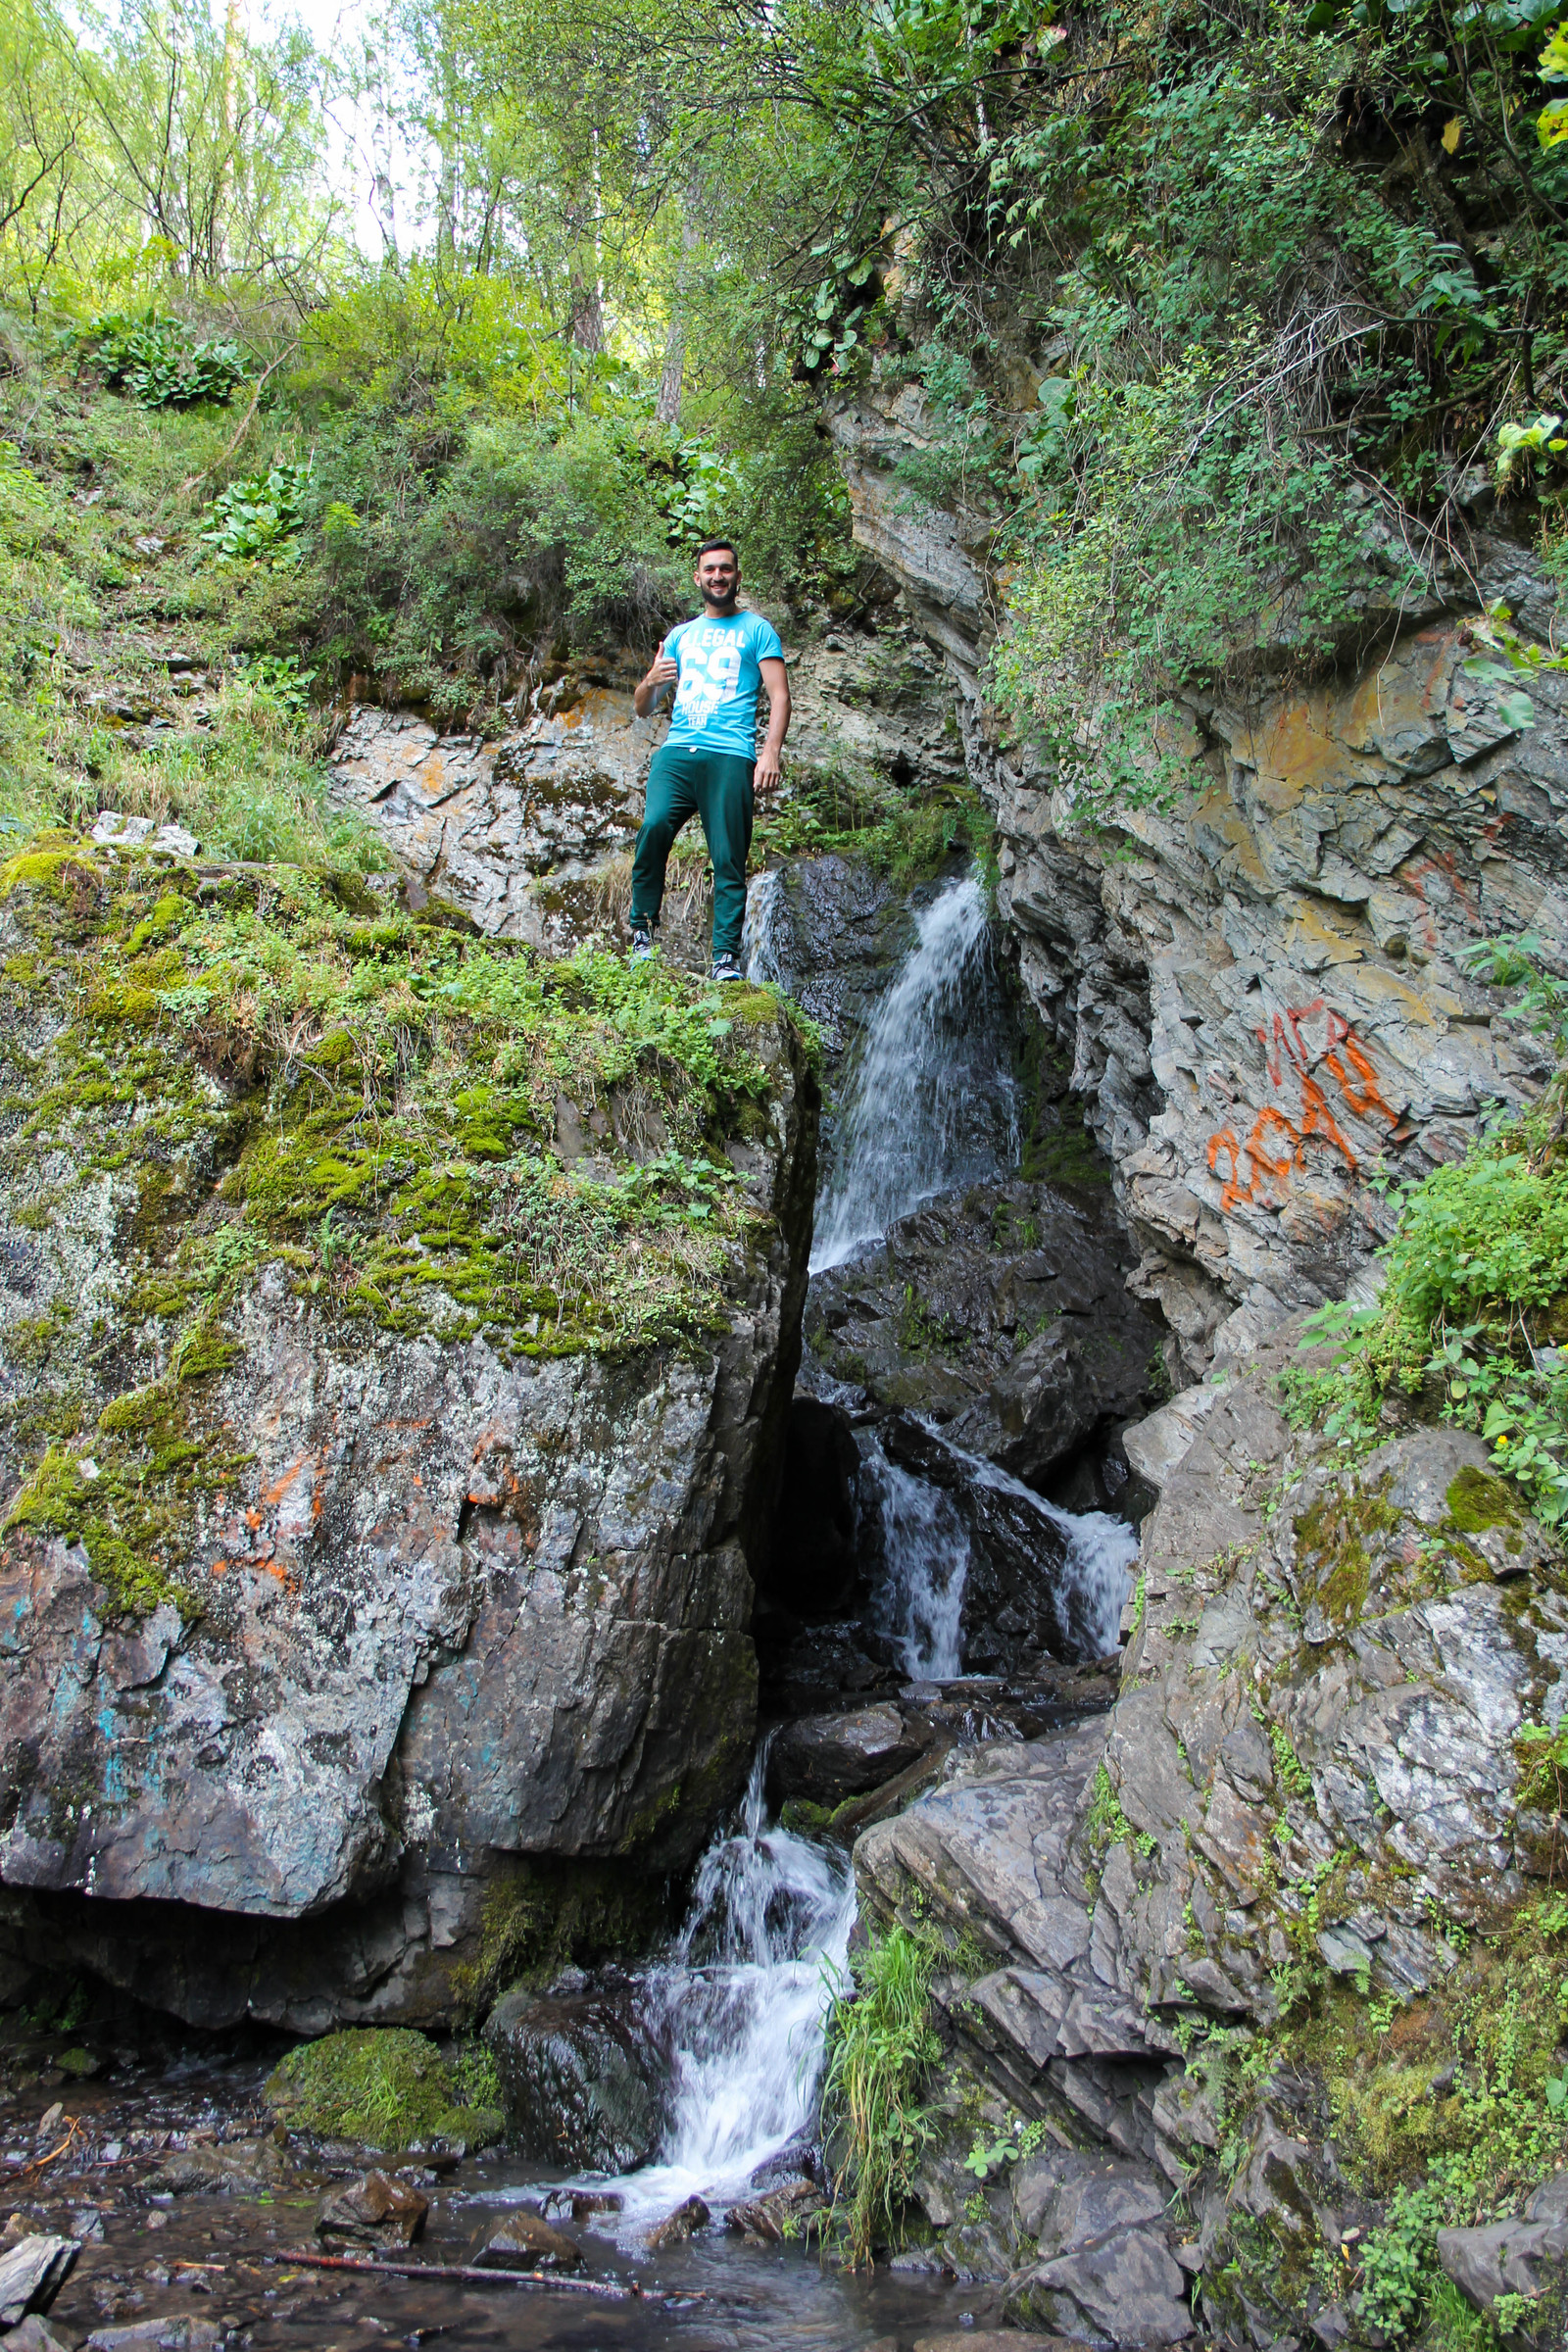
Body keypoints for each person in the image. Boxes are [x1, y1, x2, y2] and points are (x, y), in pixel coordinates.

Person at [629, 538, 790, 983]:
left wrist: (769, 752)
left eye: (726, 569)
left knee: (728, 855)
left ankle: (724, 958)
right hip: (677, 752)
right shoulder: (680, 636)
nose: (717, 576)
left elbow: (779, 696)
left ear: (737, 576)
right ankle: (641, 935)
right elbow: (643, 707)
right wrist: (649, 680)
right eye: (710, 570)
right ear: (697, 578)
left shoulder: (758, 630)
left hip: (729, 754)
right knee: (654, 827)